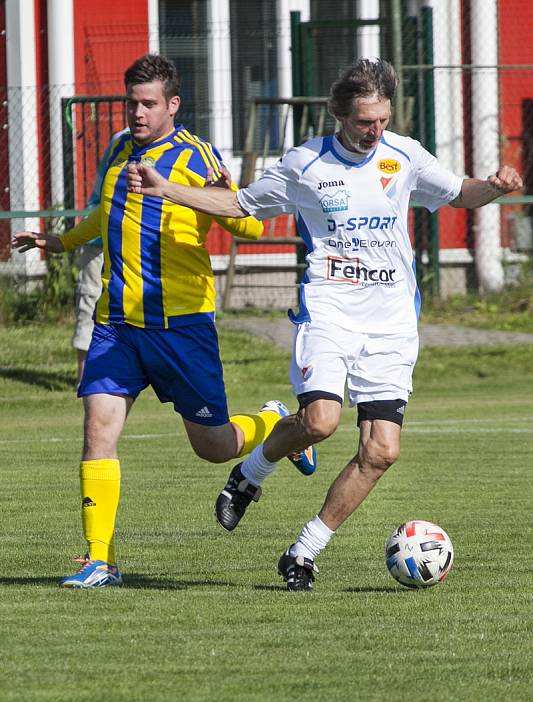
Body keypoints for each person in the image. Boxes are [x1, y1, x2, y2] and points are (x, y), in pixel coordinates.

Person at [126, 58, 523, 591]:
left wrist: (494, 186)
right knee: (319, 423)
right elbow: (240, 202)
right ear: (340, 115)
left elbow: (459, 191)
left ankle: (304, 551)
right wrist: (166, 190)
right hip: (331, 311)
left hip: (392, 323)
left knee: (382, 450)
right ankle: (250, 477)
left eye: (382, 119)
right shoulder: (305, 163)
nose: (374, 130)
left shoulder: (404, 155)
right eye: (364, 121)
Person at [11, 53, 316, 589]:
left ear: (173, 104)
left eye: (148, 103)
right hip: (117, 326)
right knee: (97, 429)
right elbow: (106, 215)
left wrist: (225, 192)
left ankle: (275, 423)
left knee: (213, 447)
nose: (136, 112)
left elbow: (252, 230)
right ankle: (98, 560)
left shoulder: (197, 155)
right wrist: (59, 242)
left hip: (182, 328)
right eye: (131, 102)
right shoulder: (118, 152)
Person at [72, 129, 128, 385]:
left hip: (136, 238)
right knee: (91, 299)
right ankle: (84, 377)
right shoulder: (124, 141)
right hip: (100, 236)